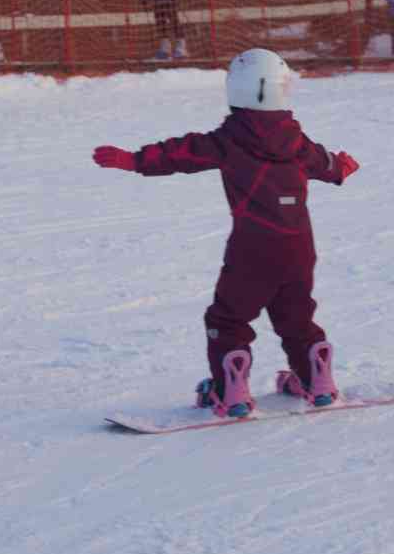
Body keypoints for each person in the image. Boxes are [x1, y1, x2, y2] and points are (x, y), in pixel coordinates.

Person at [92, 48, 360, 418]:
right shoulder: (297, 142)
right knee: (296, 315)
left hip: (253, 249)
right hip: (299, 247)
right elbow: (327, 163)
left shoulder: (229, 140)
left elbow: (181, 153)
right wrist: (341, 167)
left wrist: (135, 159)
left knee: (229, 319)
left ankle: (228, 391)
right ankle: (316, 378)